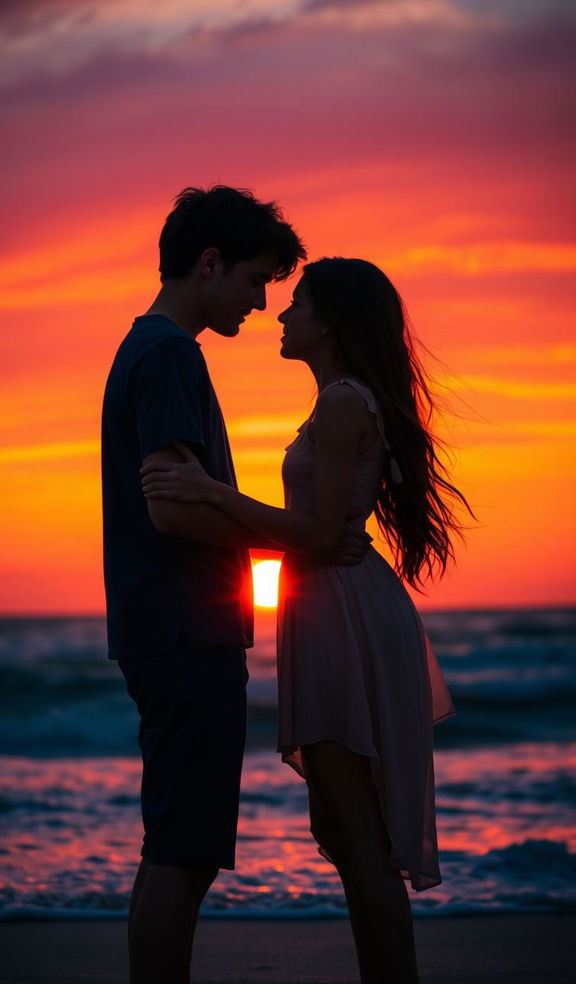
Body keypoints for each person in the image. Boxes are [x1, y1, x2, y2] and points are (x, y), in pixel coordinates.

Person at [141, 257, 470, 983]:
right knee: (346, 832)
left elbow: (319, 534)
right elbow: (317, 532)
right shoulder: (340, 402)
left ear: (331, 322)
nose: (281, 315)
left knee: (360, 837)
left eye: (296, 304)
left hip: (340, 610)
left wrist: (208, 493)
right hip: (330, 605)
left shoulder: (345, 403)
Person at [101, 191, 368, 984]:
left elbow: (183, 496)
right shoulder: (171, 355)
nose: (261, 302)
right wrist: (306, 537)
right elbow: (175, 507)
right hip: (184, 631)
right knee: (184, 852)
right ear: (208, 264)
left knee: (177, 846)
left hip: (168, 628)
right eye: (255, 280)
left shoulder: (149, 351)